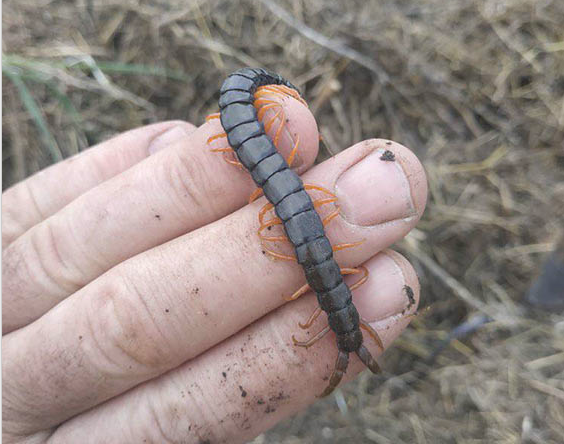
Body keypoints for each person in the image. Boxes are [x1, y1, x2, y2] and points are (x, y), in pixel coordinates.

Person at [2, 89, 427, 443]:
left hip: (322, 266)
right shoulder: (246, 132)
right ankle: (349, 340)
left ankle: (349, 338)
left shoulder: (250, 126)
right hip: (318, 263)